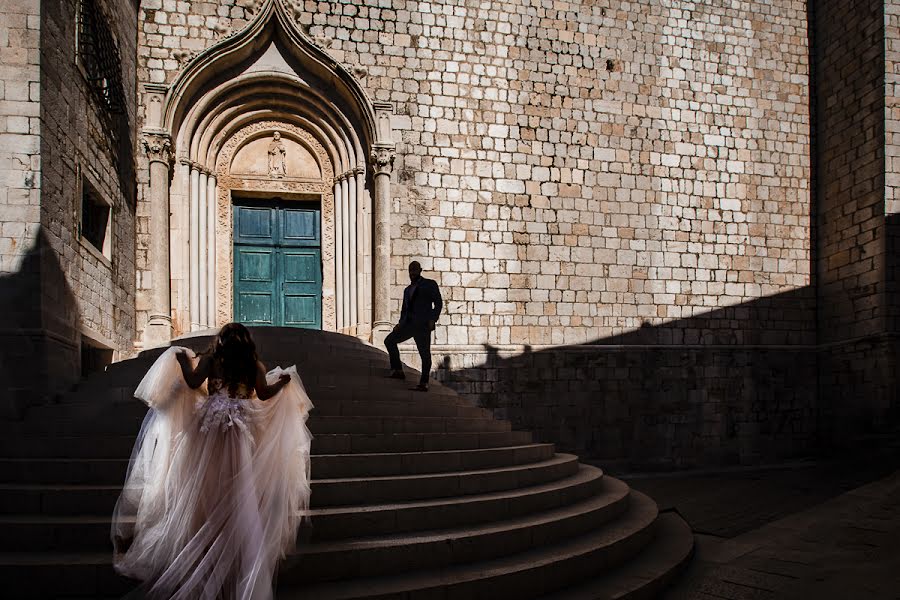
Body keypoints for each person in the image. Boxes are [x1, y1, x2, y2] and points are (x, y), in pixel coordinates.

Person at [111, 323, 313, 599]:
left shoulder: (211, 360)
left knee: (203, 480)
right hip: (240, 426)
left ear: (221, 341)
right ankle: (235, 543)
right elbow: (264, 394)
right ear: (246, 344)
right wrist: (282, 382)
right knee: (237, 483)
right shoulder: (254, 366)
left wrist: (183, 363)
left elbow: (193, 383)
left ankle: (200, 536)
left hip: (210, 425)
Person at [384, 261, 443, 391]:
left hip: (422, 325)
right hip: (408, 325)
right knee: (389, 341)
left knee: (424, 354)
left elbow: (438, 303)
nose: (412, 272)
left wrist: (433, 319)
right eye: (411, 270)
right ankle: (398, 370)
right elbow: (404, 309)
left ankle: (424, 383)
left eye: (415, 269)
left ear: (420, 270)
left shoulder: (429, 284)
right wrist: (400, 324)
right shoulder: (407, 290)